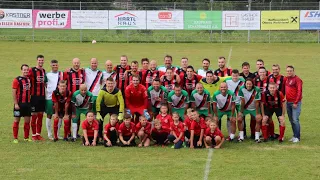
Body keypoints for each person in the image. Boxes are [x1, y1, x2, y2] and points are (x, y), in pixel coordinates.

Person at [12, 64, 32, 143]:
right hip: (19, 104)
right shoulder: (17, 80)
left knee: (27, 121)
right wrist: (16, 104)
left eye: (27, 70)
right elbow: (14, 92)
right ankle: (15, 138)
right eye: (24, 70)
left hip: (27, 104)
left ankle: (26, 137)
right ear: (21, 70)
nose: (26, 71)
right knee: (17, 121)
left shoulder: (29, 79)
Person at [238, 78, 262, 143]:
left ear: (252, 84)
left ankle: (257, 137)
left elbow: (257, 102)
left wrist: (257, 113)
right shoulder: (241, 89)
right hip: (244, 108)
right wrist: (241, 112)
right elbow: (242, 101)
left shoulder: (257, 89)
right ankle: (241, 137)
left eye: (250, 84)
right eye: (247, 84)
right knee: (239, 119)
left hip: (254, 108)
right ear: (245, 84)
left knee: (258, 119)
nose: (248, 85)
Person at [28, 55, 46, 141]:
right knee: (34, 115)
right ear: (37, 61)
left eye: (42, 60)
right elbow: (26, 78)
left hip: (42, 96)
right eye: (39, 60)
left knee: (41, 115)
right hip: (34, 96)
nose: (41, 62)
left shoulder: (44, 71)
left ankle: (38, 134)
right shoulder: (31, 70)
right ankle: (33, 134)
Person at [45, 60, 64, 140]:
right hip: (49, 98)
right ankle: (49, 133)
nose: (55, 66)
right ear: (51, 65)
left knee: (60, 115)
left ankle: (57, 134)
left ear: (58, 65)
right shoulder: (47, 75)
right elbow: (44, 84)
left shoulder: (62, 74)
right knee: (49, 115)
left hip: (59, 98)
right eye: (53, 65)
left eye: (56, 65)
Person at [285, 65, 303, 143]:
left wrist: (296, 102)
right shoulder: (286, 79)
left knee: (295, 119)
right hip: (288, 102)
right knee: (291, 120)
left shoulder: (297, 80)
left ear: (293, 71)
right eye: (288, 71)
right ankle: (294, 135)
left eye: (290, 71)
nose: (289, 72)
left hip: (295, 103)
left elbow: (299, 91)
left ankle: (297, 137)